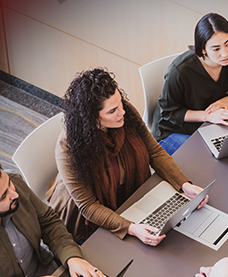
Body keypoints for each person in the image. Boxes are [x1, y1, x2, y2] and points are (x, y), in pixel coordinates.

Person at [47, 68, 207, 245]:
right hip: (89, 222)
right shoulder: (68, 147)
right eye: (112, 111)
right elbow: (88, 207)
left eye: (120, 102)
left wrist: (184, 184)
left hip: (128, 197)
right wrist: (131, 227)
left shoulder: (126, 114)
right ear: (91, 118)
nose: (121, 112)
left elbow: (154, 151)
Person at [152, 12, 228, 154]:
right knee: (210, 162)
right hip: (175, 131)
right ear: (202, 49)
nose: (225, 54)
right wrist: (207, 116)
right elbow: (169, 113)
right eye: (216, 49)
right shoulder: (179, 71)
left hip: (210, 125)